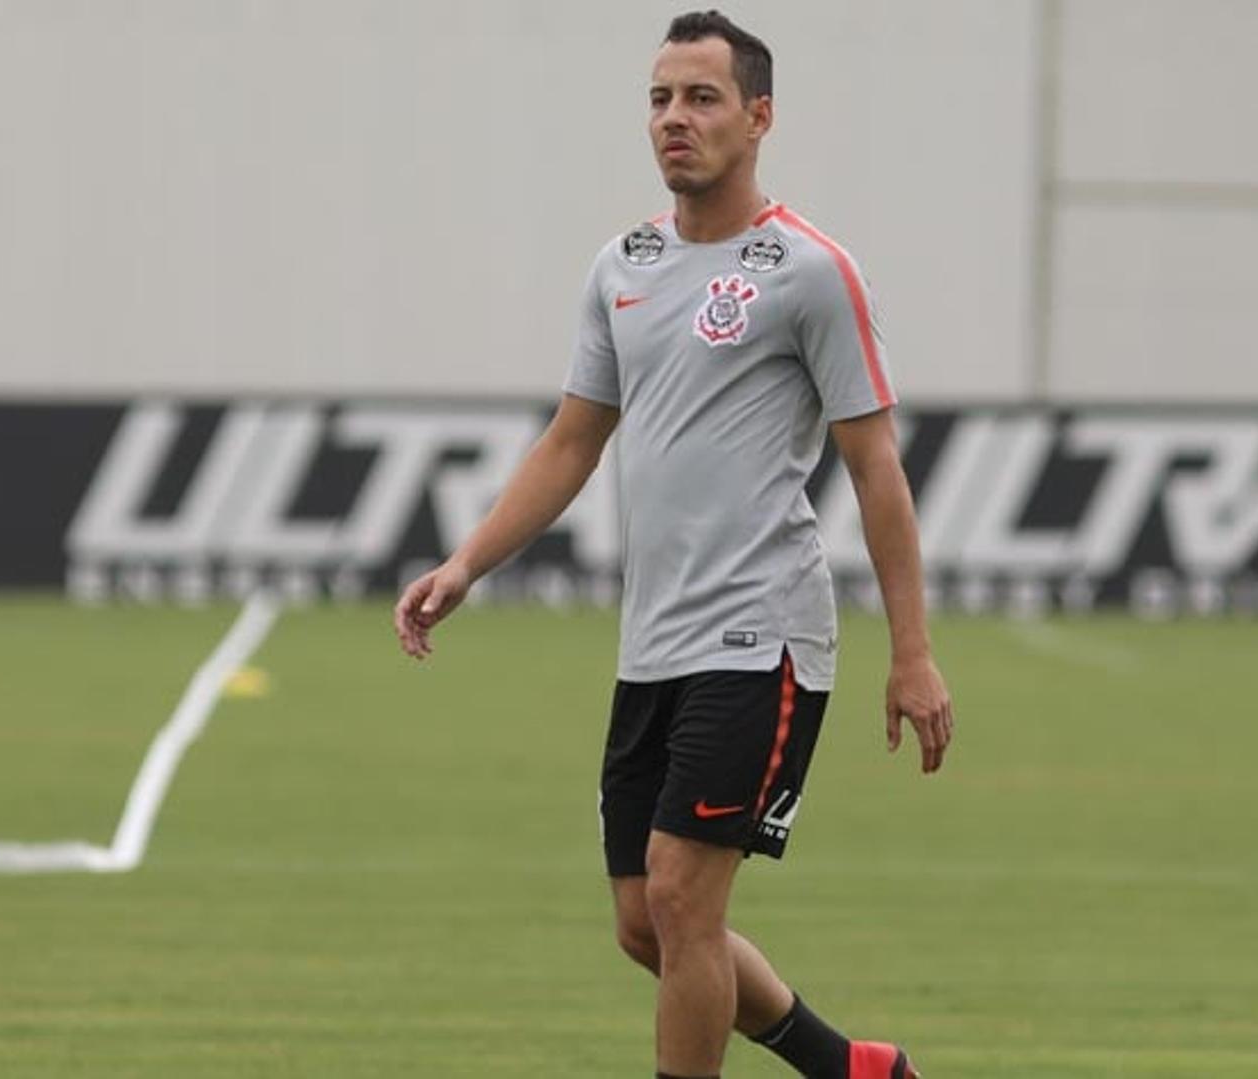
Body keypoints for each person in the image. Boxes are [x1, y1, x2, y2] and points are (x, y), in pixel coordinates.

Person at [392, 10, 952, 1079]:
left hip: (764, 635)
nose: (674, 119)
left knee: (686, 898)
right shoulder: (622, 265)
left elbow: (876, 466)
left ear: (759, 116)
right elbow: (570, 442)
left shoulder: (809, 270)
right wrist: (466, 564)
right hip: (653, 641)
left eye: (701, 97)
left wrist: (913, 650)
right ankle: (850, 1067)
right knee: (646, 925)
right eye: (659, 98)